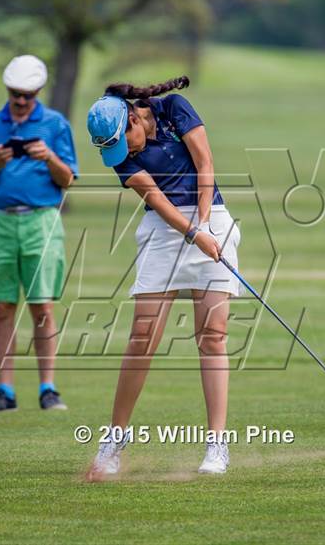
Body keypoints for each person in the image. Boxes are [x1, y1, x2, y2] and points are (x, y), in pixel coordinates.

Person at [86, 76, 242, 477]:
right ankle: (114, 440)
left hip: (212, 216)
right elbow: (155, 198)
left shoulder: (174, 109)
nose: (127, 151)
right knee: (143, 337)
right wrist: (192, 233)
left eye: (128, 141)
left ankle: (217, 445)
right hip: (163, 228)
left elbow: (205, 164)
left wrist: (204, 225)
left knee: (213, 335)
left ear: (134, 118)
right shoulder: (118, 153)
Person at [0, 55, 79, 412]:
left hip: (41, 221)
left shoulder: (55, 124)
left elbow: (67, 179)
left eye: (27, 95)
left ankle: (48, 388)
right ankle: (5, 391)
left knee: (41, 307)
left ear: (37, 92)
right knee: (2, 306)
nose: (20, 101)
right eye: (15, 94)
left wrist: (48, 157)